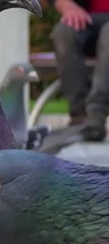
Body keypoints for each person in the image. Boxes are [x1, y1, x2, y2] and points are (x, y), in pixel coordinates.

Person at [52, 0, 109, 140]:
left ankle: (96, 116)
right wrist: (65, 3)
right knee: (64, 32)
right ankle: (79, 118)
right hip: (89, 18)